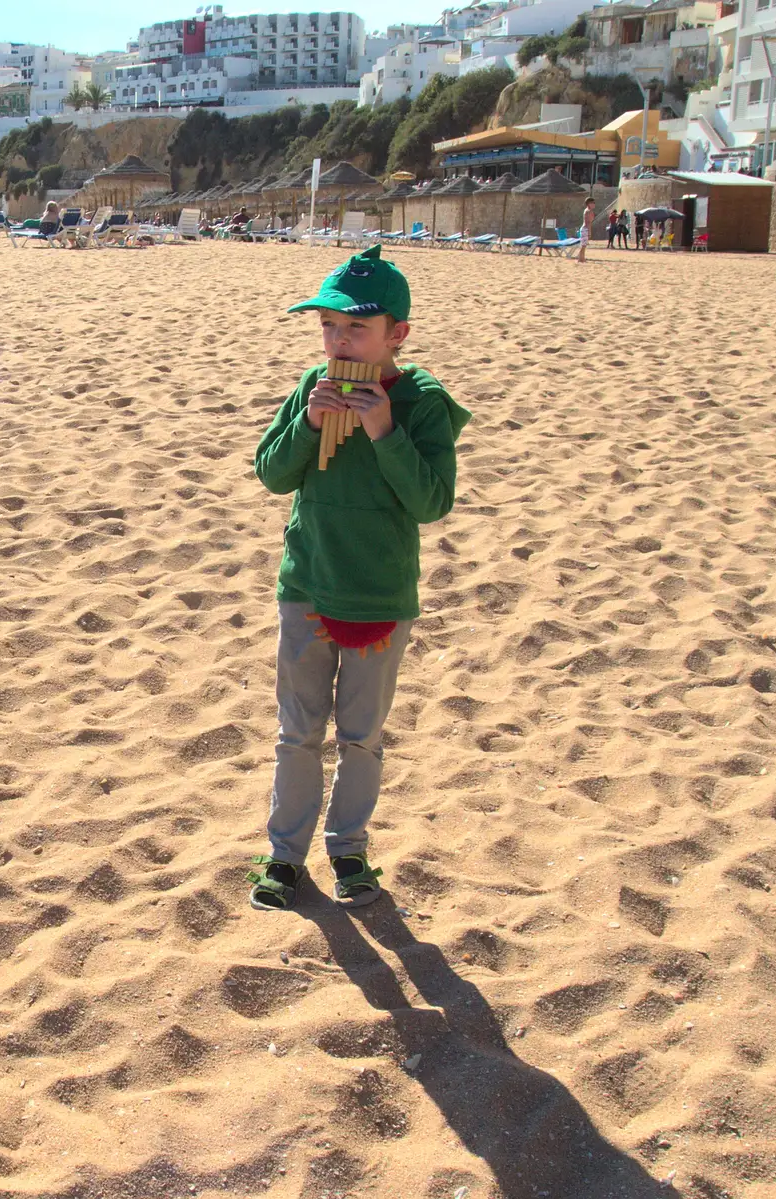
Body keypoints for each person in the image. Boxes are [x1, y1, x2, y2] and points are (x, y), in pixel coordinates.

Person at [248, 244, 471, 911]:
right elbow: (272, 473)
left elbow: (432, 502)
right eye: (328, 327)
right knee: (298, 731)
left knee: (361, 736)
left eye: (355, 329)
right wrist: (311, 422)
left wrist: (383, 429)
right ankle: (285, 855)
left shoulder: (425, 404)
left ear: (396, 335)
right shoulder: (313, 387)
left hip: (380, 595)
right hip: (309, 584)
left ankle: (348, 849)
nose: (338, 341)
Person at [577, 197, 595, 263]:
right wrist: (589, 232)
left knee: (583, 245)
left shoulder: (587, 210)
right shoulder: (589, 211)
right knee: (583, 245)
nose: (594, 204)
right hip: (585, 228)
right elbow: (588, 223)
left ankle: (582, 258)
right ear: (589, 204)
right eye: (592, 203)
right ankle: (580, 258)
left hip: (584, 228)